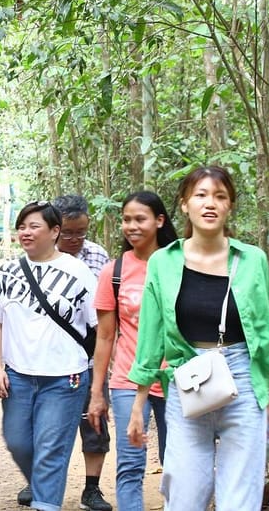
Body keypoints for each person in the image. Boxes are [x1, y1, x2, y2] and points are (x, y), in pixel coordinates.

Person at [126, 166, 269, 510]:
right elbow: (150, 335)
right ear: (184, 205)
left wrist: (266, 400)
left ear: (230, 206)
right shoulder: (163, 262)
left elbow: (263, 334)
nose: (210, 204)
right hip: (187, 380)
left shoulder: (252, 260)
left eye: (220, 196)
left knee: (240, 498)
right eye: (201, 195)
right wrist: (138, 402)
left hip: (241, 380)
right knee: (184, 493)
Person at [0, 200, 98, 511]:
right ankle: (43, 484)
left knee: (50, 449)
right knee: (17, 441)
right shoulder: (7, 272)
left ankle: (46, 502)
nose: (25, 232)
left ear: (54, 231)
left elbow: (98, 324)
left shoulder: (78, 271)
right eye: (21, 227)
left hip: (66, 377)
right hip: (18, 375)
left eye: (34, 226)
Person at [18, 194, 110, 511]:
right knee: (41, 427)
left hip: (86, 357)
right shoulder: (33, 259)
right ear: (55, 230)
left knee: (94, 423)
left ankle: (92, 488)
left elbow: (104, 312)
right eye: (68, 232)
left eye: (81, 232)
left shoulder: (98, 257)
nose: (74, 239)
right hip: (44, 361)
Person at [86, 191, 178, 511]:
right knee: (130, 464)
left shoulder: (180, 264)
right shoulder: (113, 272)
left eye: (140, 219)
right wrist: (97, 392)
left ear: (159, 221)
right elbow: (105, 338)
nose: (132, 226)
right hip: (127, 377)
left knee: (178, 465)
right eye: (126, 220)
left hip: (175, 378)